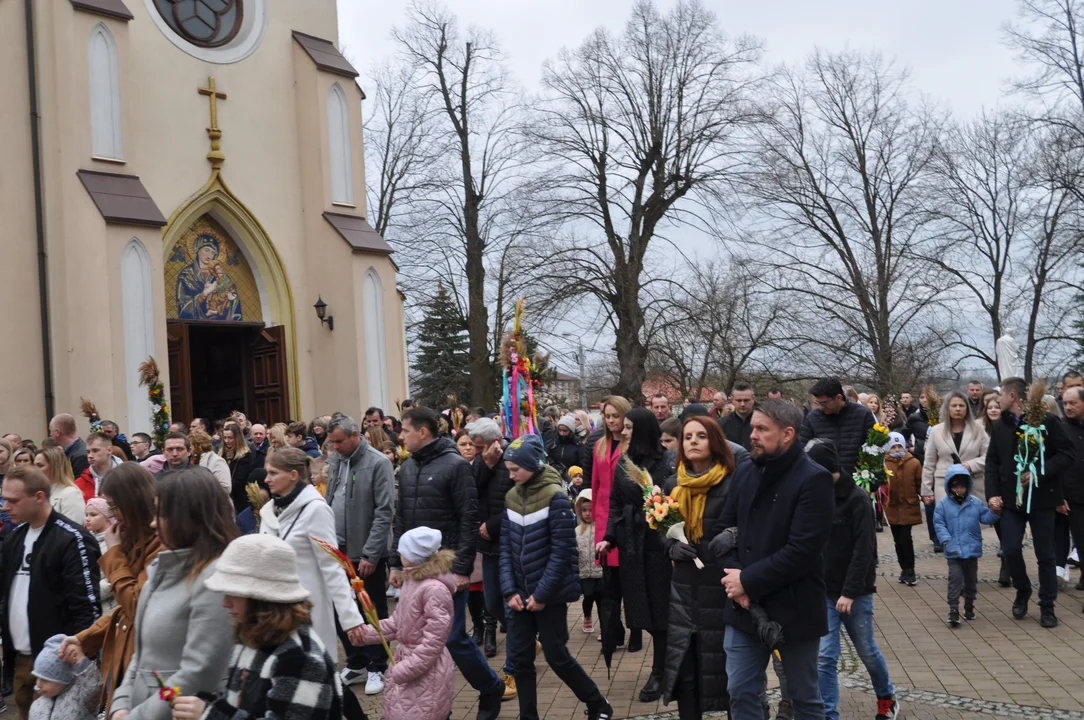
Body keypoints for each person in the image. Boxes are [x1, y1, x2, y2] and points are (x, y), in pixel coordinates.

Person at [715, 399, 835, 720]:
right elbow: (722, 531)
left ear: (787, 434)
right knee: (740, 691)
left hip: (793, 609)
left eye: (761, 429)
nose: (752, 434)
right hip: (744, 610)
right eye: (752, 427)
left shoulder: (814, 479)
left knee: (803, 697)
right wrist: (736, 581)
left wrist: (747, 582)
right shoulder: (744, 473)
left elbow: (802, 551)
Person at [390, 407, 505, 720]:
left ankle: (490, 686)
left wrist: (462, 568)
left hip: (446, 568)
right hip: (415, 569)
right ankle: (440, 707)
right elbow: (400, 517)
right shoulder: (408, 467)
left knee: (451, 639)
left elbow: (469, 518)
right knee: (422, 643)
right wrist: (395, 563)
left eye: (405, 430)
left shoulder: (455, 465)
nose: (400, 436)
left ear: (423, 432)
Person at [500, 434, 614, 720]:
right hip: (519, 596)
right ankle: (529, 715)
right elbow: (505, 548)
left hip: (547, 596)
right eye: (508, 470)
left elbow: (563, 552)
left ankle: (598, 703)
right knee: (521, 661)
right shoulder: (511, 497)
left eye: (516, 469)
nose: (511, 475)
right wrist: (509, 591)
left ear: (532, 465)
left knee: (556, 656)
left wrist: (541, 595)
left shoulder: (556, 497)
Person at [107, 469, 236, 719]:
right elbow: (142, 655)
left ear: (189, 517)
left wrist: (140, 715)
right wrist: (121, 703)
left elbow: (196, 674)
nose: (153, 522)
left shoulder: (212, 580)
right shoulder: (161, 570)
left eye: (162, 514)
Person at [169, 534, 342, 720]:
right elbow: (240, 704)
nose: (225, 603)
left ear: (261, 597)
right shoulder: (252, 638)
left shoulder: (302, 659)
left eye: (233, 593)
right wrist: (210, 706)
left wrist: (210, 715)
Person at [1, 466, 101, 719]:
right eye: (4, 500)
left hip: (57, 660)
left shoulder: (72, 539)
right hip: (22, 658)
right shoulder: (15, 539)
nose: (5, 506)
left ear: (39, 497)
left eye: (13, 501)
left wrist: (79, 655)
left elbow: (86, 604)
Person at [60, 464, 160, 713]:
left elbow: (135, 605)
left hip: (153, 671)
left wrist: (115, 553)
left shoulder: (159, 545)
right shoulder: (136, 538)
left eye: (114, 507)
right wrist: (84, 638)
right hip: (130, 663)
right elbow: (122, 615)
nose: (113, 515)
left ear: (133, 503)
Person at [811, 439, 899, 720]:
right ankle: (828, 714)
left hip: (855, 592)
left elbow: (865, 552)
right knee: (825, 656)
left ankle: (886, 696)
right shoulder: (815, 495)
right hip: (824, 590)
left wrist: (849, 592)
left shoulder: (858, 499)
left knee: (867, 651)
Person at [258, 448, 366, 666]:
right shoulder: (269, 510)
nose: (267, 479)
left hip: (306, 610)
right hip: (272, 609)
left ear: (293, 475)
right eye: (267, 473)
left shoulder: (315, 510)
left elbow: (332, 566)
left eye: (273, 473)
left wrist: (350, 618)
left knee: (309, 675)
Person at [660, 416, 736, 719]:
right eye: (687, 436)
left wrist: (732, 535)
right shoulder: (672, 484)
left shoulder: (733, 481)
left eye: (700, 436)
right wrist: (669, 545)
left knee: (730, 674)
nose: (692, 441)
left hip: (722, 589)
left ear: (714, 441)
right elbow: (658, 526)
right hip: (685, 591)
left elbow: (751, 525)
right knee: (686, 672)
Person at [986, 377, 1072, 627]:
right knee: (1010, 548)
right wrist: (992, 494)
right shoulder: (1000, 426)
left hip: (1042, 499)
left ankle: (1047, 605)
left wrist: (1039, 473)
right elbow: (993, 462)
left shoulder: (1047, 421)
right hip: (1011, 501)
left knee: (1045, 554)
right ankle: (1023, 589)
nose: (997, 399)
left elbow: (1067, 454)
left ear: (1012, 397)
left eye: (1001, 394)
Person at [600, 408, 672, 702]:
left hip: (658, 546)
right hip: (631, 546)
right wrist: (608, 536)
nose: (624, 432)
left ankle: (661, 670)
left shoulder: (668, 462)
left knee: (662, 612)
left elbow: (673, 503)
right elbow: (615, 502)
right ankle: (663, 666)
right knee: (642, 609)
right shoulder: (624, 463)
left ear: (642, 431)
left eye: (629, 427)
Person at [351, 527, 455, 720]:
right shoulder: (412, 582)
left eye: (403, 550)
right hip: (407, 664)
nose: (398, 553)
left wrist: (406, 668)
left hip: (425, 672)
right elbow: (397, 623)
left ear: (414, 556)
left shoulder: (434, 590)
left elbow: (433, 642)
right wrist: (364, 633)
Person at [325, 415, 395, 696]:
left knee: (371, 609)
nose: (335, 446)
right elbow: (331, 497)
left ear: (356, 435)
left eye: (340, 441)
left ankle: (378, 664)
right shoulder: (336, 461)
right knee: (340, 608)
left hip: (365, 554)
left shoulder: (378, 463)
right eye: (332, 442)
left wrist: (371, 553)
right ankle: (356, 662)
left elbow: (384, 511)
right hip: (338, 550)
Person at [465, 417, 517, 696]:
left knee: (509, 605)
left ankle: (513, 669)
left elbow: (518, 502)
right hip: (486, 547)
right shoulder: (479, 463)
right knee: (492, 603)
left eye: (479, 446)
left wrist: (492, 525)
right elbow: (471, 495)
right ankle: (526, 640)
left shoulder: (513, 459)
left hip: (507, 543)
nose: (474, 451)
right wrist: (485, 464)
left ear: (495, 442)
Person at [585, 396, 631, 647]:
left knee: (629, 576)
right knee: (608, 580)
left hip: (627, 517)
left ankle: (634, 629)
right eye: (608, 416)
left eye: (616, 416)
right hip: (605, 517)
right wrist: (596, 516)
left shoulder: (631, 444)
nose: (612, 420)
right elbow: (596, 484)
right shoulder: (600, 445)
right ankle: (613, 630)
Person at [921, 392, 989, 554]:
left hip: (972, 484)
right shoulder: (937, 431)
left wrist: (970, 465)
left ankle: (969, 562)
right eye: (954, 405)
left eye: (961, 405)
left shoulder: (978, 430)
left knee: (969, 527)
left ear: (967, 408)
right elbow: (929, 462)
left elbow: (989, 456)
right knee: (950, 527)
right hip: (944, 484)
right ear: (947, 408)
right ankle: (955, 565)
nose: (958, 409)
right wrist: (926, 490)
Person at [934, 465, 1001, 625]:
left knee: (971, 580)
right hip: (953, 549)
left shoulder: (975, 502)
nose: (959, 490)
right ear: (950, 486)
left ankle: (969, 605)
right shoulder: (943, 505)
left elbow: (985, 518)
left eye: (962, 486)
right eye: (956, 486)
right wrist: (945, 539)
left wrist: (995, 512)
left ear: (968, 486)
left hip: (971, 548)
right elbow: (939, 523)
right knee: (955, 579)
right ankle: (953, 609)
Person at [799, 377, 875, 483]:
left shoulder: (863, 414)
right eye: (818, 403)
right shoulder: (813, 418)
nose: (820, 407)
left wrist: (869, 480)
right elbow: (803, 451)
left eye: (824, 403)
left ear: (838, 397)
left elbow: (874, 449)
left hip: (856, 482)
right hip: (823, 482)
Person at [28, 634, 101, 720]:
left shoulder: (80, 697)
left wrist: (81, 660)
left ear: (63, 678)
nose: (38, 684)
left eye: (45, 680)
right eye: (37, 677)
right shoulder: (37, 705)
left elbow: (93, 685)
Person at [883, 432, 923, 586]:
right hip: (892, 507)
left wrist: (924, 496)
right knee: (897, 540)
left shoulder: (914, 463)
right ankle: (903, 569)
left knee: (905, 539)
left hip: (908, 506)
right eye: (893, 447)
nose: (897, 449)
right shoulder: (884, 463)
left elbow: (919, 483)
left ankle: (910, 570)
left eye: (900, 446)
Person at [1059, 387, 1084, 594]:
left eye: (1072, 403)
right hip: (1073, 496)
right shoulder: (1060, 428)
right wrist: (1060, 495)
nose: (1068, 407)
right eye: (1065, 403)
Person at [34, 447, 86, 525]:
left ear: (55, 467)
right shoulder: (35, 493)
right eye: (34, 466)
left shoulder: (70, 493)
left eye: (40, 466)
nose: (35, 470)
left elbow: (73, 530)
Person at [83, 497, 117, 614]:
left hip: (109, 605)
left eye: (93, 515)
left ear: (107, 516)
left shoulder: (114, 541)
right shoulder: (85, 539)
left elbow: (114, 577)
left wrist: (91, 591)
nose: (87, 519)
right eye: (86, 515)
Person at [575, 490, 602, 635]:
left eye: (590, 510)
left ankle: (603, 624)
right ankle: (587, 616)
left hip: (599, 570)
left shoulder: (600, 529)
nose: (587, 513)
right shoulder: (577, 531)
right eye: (584, 510)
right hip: (584, 572)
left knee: (601, 599)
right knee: (588, 597)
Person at [78, 431, 124, 501]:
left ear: (109, 450)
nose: (90, 456)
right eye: (88, 452)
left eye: (95, 450)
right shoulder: (80, 484)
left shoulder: (126, 478)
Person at [221, 422, 255, 515]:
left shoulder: (245, 455)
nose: (227, 441)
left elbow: (240, 479)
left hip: (238, 499)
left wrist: (223, 490)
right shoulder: (221, 453)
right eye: (225, 438)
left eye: (230, 438)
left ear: (237, 438)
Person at [190, 430, 231, 495]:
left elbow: (225, 488)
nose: (190, 450)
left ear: (198, 446)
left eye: (191, 446)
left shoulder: (217, 461)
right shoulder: (193, 461)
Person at [48, 413, 89, 479]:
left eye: (51, 431)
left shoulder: (80, 456)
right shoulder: (73, 451)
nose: (50, 435)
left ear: (57, 432)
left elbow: (80, 487)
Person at [719, 382, 755, 450]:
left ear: (753, 399)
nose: (742, 404)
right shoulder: (721, 424)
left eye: (746, 400)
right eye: (739, 400)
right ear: (732, 400)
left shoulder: (762, 423)